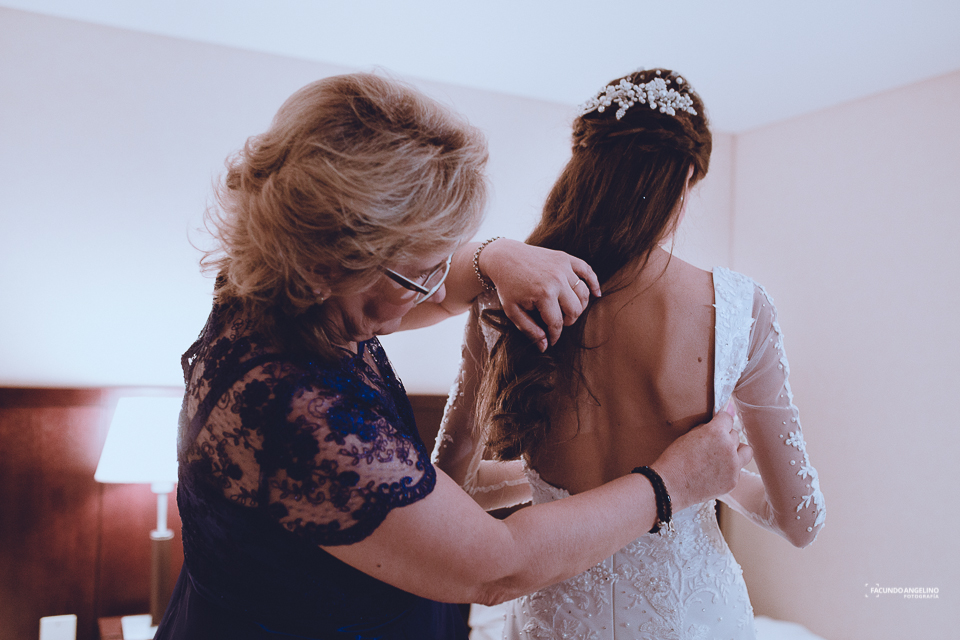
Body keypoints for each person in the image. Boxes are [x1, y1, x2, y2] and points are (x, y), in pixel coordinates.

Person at [153, 72, 751, 640]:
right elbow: (498, 566)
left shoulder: (266, 288)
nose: (438, 290)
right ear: (334, 262)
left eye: (443, 261)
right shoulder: (300, 416)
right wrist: (671, 483)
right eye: (420, 272)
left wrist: (495, 255)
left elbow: (444, 291)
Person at [433, 68, 826, 639]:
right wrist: (710, 474)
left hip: (555, 623)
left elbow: (451, 490)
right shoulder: (740, 309)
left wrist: (545, 481)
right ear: (685, 175)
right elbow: (801, 519)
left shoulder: (506, 299)